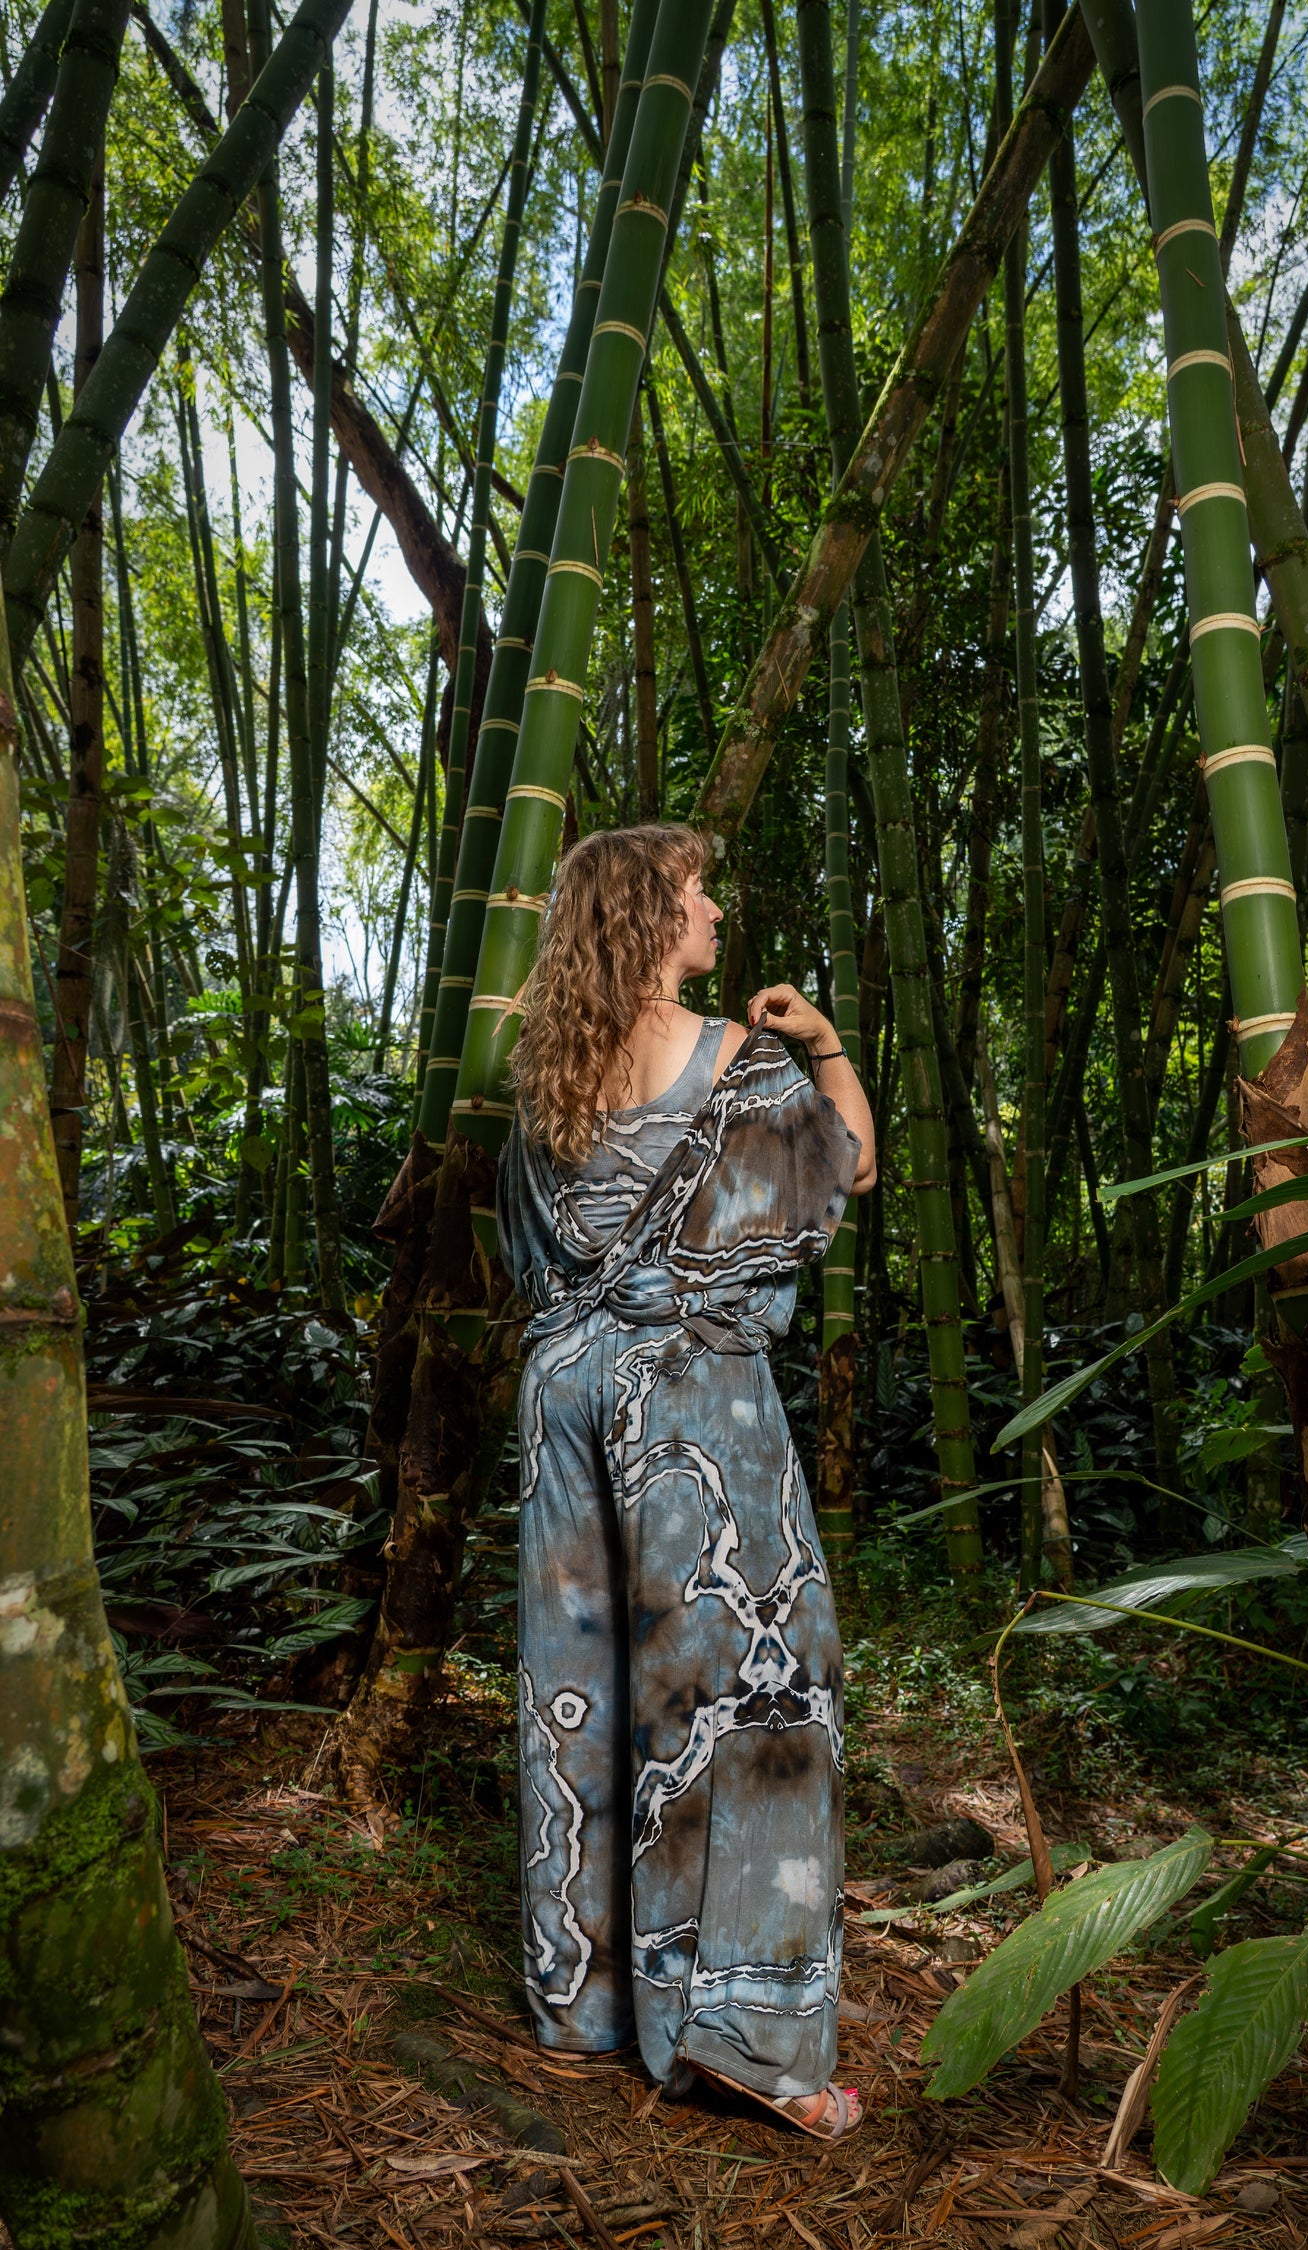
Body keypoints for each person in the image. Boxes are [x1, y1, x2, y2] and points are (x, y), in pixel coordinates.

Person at [496, 822, 876, 2141]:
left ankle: (583, 2001)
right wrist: (821, 1041)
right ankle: (747, 2033)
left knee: (578, 1684)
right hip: (691, 1398)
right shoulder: (739, 1059)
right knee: (766, 1682)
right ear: (654, 917)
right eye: (698, 889)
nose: (714, 905)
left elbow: (521, 1251)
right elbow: (847, 1170)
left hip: (561, 1393)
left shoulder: (545, 1078)